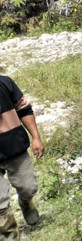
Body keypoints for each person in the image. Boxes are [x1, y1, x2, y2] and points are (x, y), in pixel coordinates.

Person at [0, 75, 43, 239]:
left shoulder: (5, 83)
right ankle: (10, 236)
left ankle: (25, 202)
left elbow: (24, 109)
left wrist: (36, 137)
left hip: (14, 147)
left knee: (28, 187)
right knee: (0, 204)